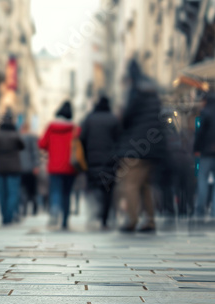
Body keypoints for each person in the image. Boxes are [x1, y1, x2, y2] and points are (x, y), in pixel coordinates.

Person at [115, 59, 166, 233]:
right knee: (145, 184)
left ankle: (132, 219)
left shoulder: (135, 90)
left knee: (129, 184)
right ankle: (150, 220)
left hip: (135, 146)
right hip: (153, 147)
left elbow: (128, 116)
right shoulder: (153, 93)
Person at [80, 96, 120, 229]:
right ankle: (104, 219)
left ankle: (93, 215)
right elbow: (119, 140)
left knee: (92, 188)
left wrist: (86, 156)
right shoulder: (113, 119)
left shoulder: (89, 119)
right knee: (107, 190)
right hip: (110, 161)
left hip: (92, 160)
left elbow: (82, 138)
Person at [38, 101, 79, 230]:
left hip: (54, 166)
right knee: (67, 193)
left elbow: (42, 144)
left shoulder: (51, 127)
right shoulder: (75, 129)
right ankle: (65, 220)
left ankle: (54, 211)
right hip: (70, 166)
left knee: (55, 190)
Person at [0, 111, 25, 225]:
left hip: (0, 167)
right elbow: (22, 146)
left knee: (2, 194)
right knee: (13, 193)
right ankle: (9, 216)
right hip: (14, 168)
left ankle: (4, 216)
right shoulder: (15, 135)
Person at [193, 93, 215, 219]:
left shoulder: (205, 112)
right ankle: (214, 211)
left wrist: (196, 148)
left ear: (205, 100)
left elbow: (199, 133)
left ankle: (200, 210)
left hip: (206, 153)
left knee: (202, 180)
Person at [19, 122, 39, 216]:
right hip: (31, 168)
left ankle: (25, 209)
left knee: (23, 190)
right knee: (32, 190)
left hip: (21, 169)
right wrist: (36, 165)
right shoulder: (32, 138)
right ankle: (34, 208)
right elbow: (35, 152)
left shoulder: (19, 138)